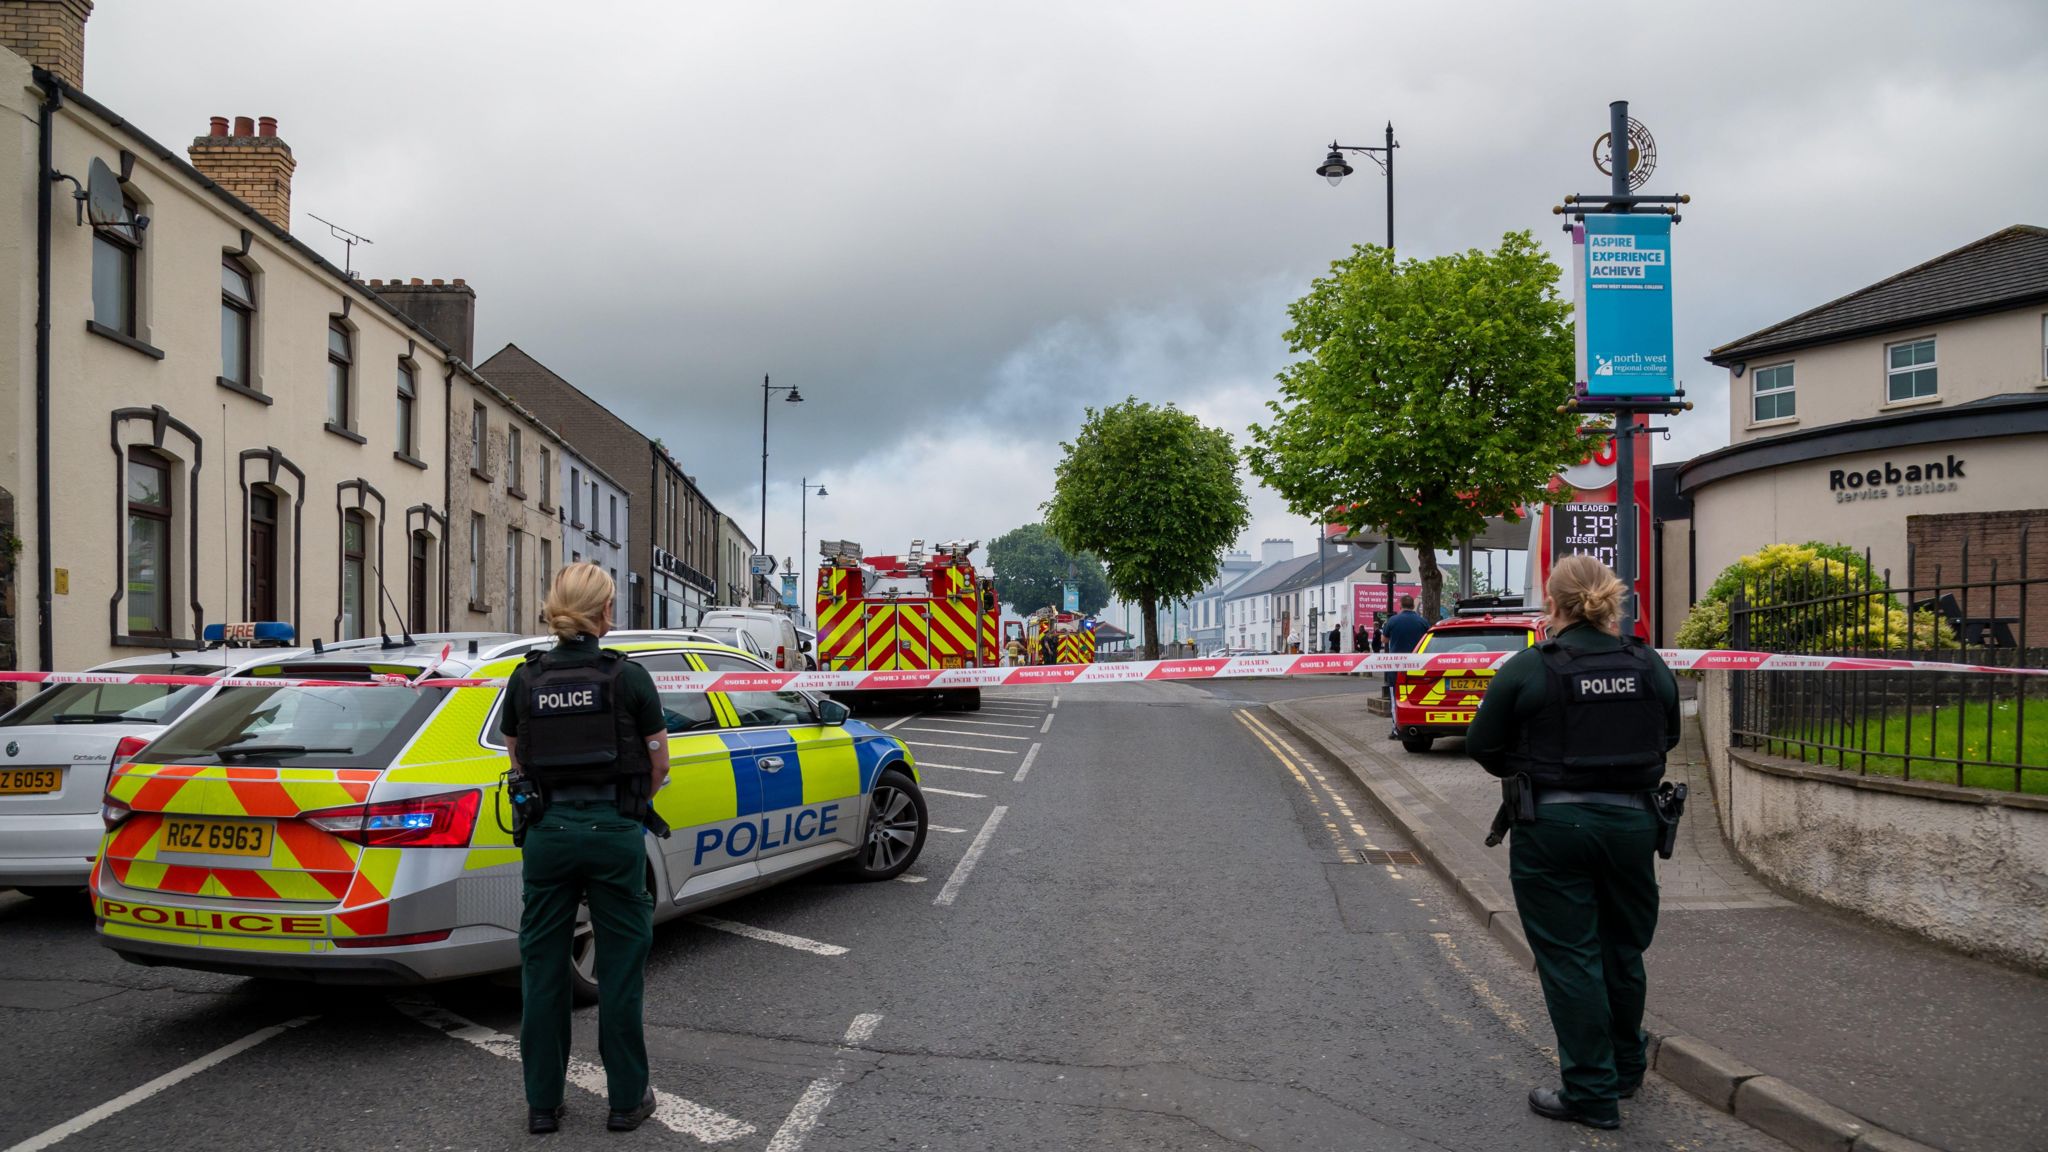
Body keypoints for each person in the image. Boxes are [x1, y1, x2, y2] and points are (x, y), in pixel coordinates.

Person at [1464, 555, 1679, 1131]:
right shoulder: (1646, 662)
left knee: (1570, 958)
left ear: (1552, 606)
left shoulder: (1530, 668)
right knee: (1621, 949)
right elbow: (1671, 733)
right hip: (1633, 824)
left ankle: (1590, 1091)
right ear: (1611, 602)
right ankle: (1627, 1069)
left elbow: (1483, 744)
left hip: (1553, 829)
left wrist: (1538, 766)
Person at [500, 563, 671, 1134]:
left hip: (546, 834)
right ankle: (625, 1101)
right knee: (620, 971)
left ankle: (542, 1106)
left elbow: (516, 757)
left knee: (543, 970)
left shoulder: (525, 679)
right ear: (605, 613)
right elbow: (659, 763)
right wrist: (625, 803)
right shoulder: (629, 678)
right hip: (613, 833)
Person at [1381, 594, 1429, 739]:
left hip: (1397, 666)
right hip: (1418, 665)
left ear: (1400, 605)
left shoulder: (1393, 620)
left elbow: (1384, 639)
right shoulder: (1422, 621)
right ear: (1413, 606)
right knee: (1418, 695)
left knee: (1396, 696)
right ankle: (1419, 724)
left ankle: (1397, 729)